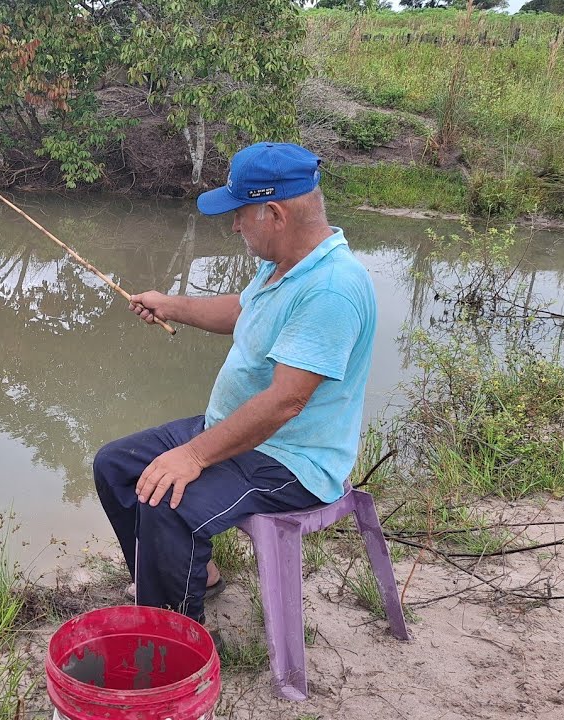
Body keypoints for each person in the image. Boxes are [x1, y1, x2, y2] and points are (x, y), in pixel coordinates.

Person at [93, 141, 377, 625]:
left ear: (273, 213)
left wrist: (194, 454)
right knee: (115, 465)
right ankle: (186, 578)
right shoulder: (283, 264)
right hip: (237, 430)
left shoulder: (331, 289)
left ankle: (174, 636)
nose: (234, 226)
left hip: (291, 458)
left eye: (240, 214)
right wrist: (171, 304)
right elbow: (244, 311)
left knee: (165, 498)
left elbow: (286, 402)